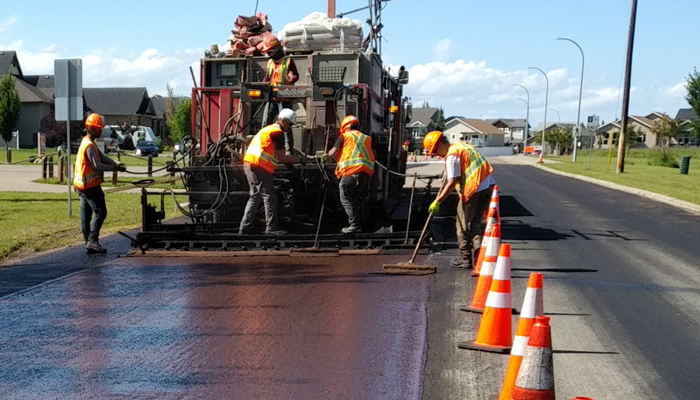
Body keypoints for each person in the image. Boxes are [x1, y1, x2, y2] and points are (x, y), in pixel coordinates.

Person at [423, 131, 496, 268]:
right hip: (487, 186)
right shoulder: (461, 146)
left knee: (462, 225)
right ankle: (479, 254)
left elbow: (452, 182)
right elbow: (453, 178)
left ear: (441, 144)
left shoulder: (452, 156)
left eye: (435, 150)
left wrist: (438, 201)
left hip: (474, 188)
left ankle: (465, 258)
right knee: (475, 222)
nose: (436, 154)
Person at [239, 108, 304, 236]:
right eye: (289, 124)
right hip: (259, 166)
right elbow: (282, 157)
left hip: (249, 164)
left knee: (255, 196)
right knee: (269, 197)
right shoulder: (277, 133)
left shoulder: (267, 129)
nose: (290, 127)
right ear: (282, 120)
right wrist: (300, 160)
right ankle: (272, 228)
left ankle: (245, 226)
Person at [73, 113, 127, 254]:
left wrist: (114, 163)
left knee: (86, 214)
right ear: (91, 129)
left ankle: (88, 241)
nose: (101, 130)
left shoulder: (87, 143)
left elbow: (101, 157)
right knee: (101, 212)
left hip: (82, 186)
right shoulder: (89, 146)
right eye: (98, 128)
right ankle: (92, 241)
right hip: (90, 186)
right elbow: (96, 165)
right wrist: (113, 168)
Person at [325, 115, 375, 234]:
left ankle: (354, 225)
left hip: (349, 174)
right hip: (364, 175)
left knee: (346, 198)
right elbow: (373, 153)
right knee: (355, 199)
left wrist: (325, 156)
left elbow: (333, 152)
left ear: (346, 127)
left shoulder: (344, 136)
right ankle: (360, 222)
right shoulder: (366, 138)